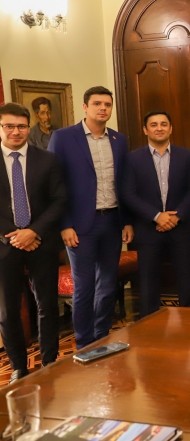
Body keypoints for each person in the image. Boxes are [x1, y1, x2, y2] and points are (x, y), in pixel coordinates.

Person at [48, 86, 134, 350]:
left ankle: (102, 335)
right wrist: (64, 225)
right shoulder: (63, 138)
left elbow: (124, 183)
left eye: (107, 104)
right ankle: (85, 342)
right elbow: (55, 184)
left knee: (108, 283)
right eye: (97, 104)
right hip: (80, 226)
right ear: (85, 107)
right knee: (84, 286)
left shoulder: (119, 140)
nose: (103, 109)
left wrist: (127, 220)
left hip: (112, 221)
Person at [0, 103, 66, 382]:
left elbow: (60, 199)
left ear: (29, 127)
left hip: (42, 243)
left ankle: (49, 360)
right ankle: (18, 366)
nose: (16, 131)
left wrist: (33, 231)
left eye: (21, 126)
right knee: (7, 310)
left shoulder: (47, 159)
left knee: (47, 305)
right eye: (9, 126)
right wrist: (15, 235)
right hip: (4, 245)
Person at [122, 111, 190, 317]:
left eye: (164, 124)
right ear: (145, 129)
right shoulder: (132, 159)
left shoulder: (185, 156)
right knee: (148, 281)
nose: (159, 128)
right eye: (154, 124)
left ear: (170, 128)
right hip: (148, 228)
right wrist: (157, 216)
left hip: (180, 227)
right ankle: (149, 327)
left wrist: (177, 216)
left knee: (186, 278)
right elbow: (128, 194)